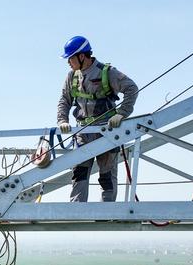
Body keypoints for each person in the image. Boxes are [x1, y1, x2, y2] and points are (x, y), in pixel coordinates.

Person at [56, 36, 138, 202]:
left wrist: (121, 113)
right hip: (82, 133)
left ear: (82, 56)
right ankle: (77, 209)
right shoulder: (71, 77)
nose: (68, 62)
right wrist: (62, 121)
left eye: (71, 58)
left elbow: (132, 89)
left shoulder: (106, 72)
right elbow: (64, 100)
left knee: (106, 174)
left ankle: (106, 211)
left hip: (106, 132)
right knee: (79, 172)